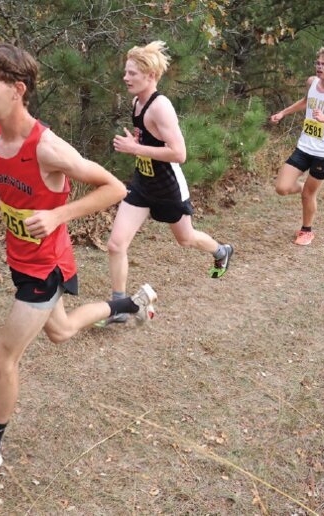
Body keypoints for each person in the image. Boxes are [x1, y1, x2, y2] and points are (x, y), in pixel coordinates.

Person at [0, 43, 157, 489]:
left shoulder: (49, 148)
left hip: (45, 266)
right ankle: (130, 303)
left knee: (0, 358)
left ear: (18, 90)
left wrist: (58, 215)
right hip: (19, 257)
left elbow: (114, 188)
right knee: (63, 330)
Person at [102, 41, 234, 325]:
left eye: (132, 73)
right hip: (142, 184)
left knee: (185, 239)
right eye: (126, 72)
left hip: (167, 186)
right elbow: (152, 141)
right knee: (115, 244)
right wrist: (137, 144)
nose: (126, 78)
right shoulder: (136, 101)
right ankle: (120, 306)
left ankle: (222, 252)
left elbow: (179, 153)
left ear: (150, 76)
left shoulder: (160, 107)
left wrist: (136, 149)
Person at [270, 44, 324, 245]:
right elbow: (305, 101)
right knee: (282, 188)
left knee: (309, 195)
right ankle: (303, 187)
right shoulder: (312, 82)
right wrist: (283, 113)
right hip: (304, 146)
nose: (319, 67)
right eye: (317, 63)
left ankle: (306, 230)